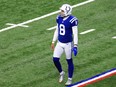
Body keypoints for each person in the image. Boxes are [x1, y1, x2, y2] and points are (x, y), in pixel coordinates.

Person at [51, 4, 78, 86]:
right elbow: (57, 29)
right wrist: (53, 41)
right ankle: (61, 72)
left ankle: (70, 79)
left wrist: (75, 45)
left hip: (68, 44)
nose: (60, 12)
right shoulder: (58, 18)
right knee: (55, 59)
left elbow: (75, 33)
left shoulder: (72, 20)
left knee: (69, 61)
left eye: (62, 11)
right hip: (59, 43)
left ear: (67, 12)